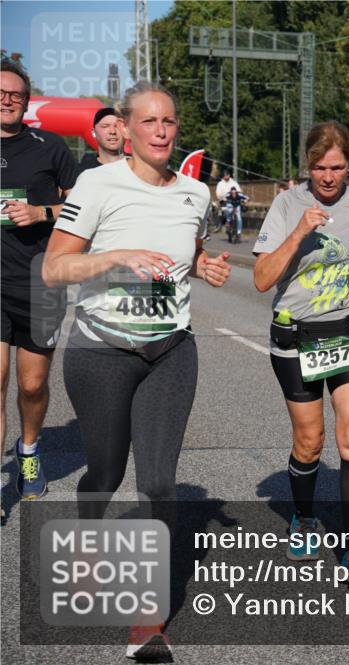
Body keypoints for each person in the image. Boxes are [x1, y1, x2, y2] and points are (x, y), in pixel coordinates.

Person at [42, 81, 232, 660]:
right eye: (148, 121)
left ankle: (146, 622)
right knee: (104, 472)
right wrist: (117, 256)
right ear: (125, 129)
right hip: (101, 350)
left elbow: (185, 253)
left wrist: (203, 266)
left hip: (170, 350)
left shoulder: (195, 193)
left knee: (157, 483)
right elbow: (54, 268)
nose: (160, 131)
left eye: (168, 121)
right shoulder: (98, 185)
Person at [253, 121, 349, 574]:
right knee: (310, 442)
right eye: (319, 168)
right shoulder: (286, 204)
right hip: (297, 335)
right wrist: (298, 232)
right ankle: (303, 517)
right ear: (307, 166)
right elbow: (261, 280)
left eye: (336, 167)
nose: (328, 177)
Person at [1, 58, 79, 500]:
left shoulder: (49, 147)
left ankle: (28, 450)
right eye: (0, 94)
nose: (7, 100)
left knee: (31, 385)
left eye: (15, 95)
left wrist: (40, 212)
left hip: (40, 283)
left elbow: (80, 208)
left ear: (26, 102)